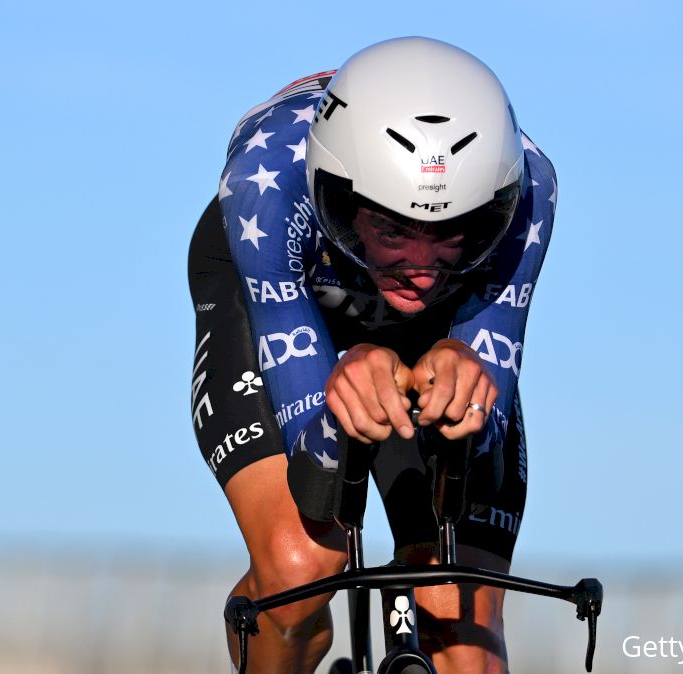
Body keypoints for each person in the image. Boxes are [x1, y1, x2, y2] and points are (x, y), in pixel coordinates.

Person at [189, 36, 556, 674]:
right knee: (298, 573)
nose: (418, 267)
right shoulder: (263, 183)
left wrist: (470, 395)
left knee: (464, 634)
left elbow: (485, 447)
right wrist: (341, 391)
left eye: (450, 233)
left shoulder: (531, 192)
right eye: (391, 228)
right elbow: (313, 464)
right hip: (290, 291)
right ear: (338, 195)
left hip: (447, 323)